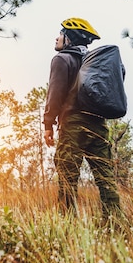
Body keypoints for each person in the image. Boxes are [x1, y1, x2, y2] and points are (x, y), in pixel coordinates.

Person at [43, 17, 121, 220]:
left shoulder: (62, 59)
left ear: (69, 38)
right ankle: (115, 223)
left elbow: (55, 93)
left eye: (60, 34)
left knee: (67, 178)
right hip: (100, 126)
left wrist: (48, 123)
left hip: (73, 126)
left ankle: (68, 225)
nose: (57, 38)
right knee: (106, 178)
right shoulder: (98, 61)